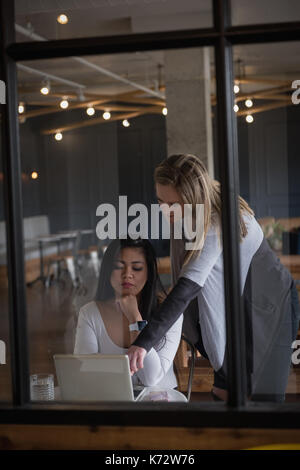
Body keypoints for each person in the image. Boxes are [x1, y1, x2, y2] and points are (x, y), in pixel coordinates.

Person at [127, 153, 300, 402]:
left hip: (274, 308)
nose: (166, 211)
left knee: (264, 401)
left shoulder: (216, 222)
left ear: (193, 197)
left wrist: (143, 342)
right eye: (160, 201)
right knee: (224, 391)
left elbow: (186, 288)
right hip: (234, 307)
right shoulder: (189, 215)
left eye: (173, 203)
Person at [74, 237, 183, 389]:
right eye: (119, 266)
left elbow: (150, 378)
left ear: (149, 272)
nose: (127, 274)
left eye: (137, 268)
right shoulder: (90, 313)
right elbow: (85, 373)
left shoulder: (168, 312)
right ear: (108, 271)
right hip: (111, 401)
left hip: (160, 405)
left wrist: (134, 318)